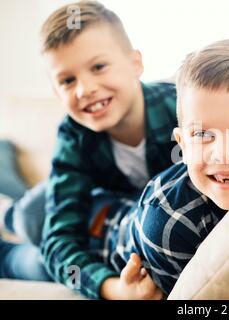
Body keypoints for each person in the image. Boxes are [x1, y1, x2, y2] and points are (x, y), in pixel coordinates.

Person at [0, 0, 178, 300]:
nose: (84, 89)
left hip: (111, 209)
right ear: (57, 92)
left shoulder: (178, 108)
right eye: (68, 81)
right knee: (31, 219)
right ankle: (7, 218)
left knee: (73, 235)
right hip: (81, 199)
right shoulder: (74, 135)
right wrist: (112, 289)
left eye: (98, 67)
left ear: (135, 63)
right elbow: (60, 242)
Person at [100, 39, 229, 295]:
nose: (225, 154)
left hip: (133, 199)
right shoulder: (170, 223)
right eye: (203, 134)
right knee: (33, 249)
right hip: (101, 230)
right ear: (183, 145)